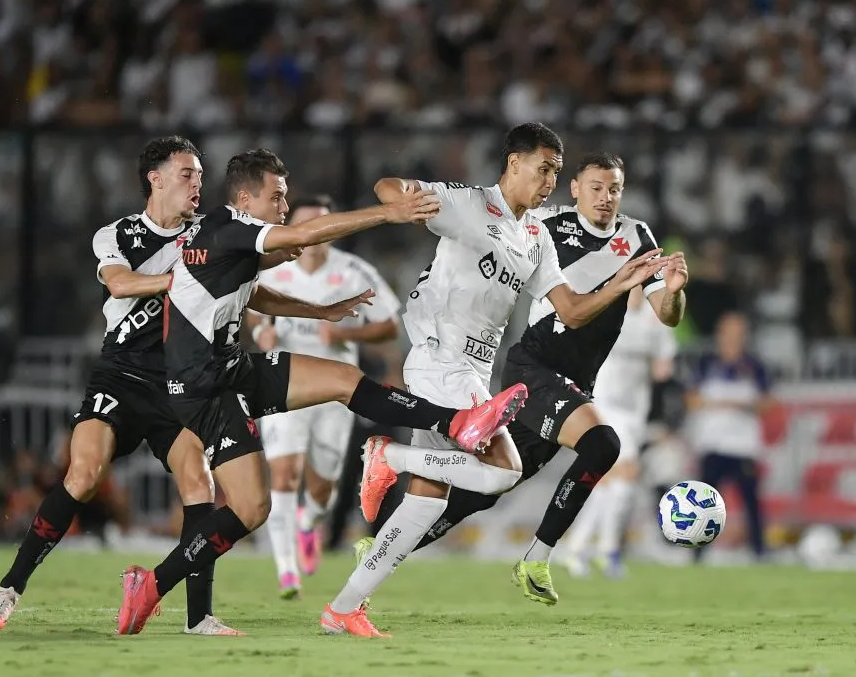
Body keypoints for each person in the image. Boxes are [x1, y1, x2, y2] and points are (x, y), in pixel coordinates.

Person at [114, 148, 530, 635]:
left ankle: (449, 424)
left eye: (287, 196)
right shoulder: (229, 228)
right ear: (246, 198)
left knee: (342, 380)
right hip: (201, 387)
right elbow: (305, 235)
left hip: (232, 367)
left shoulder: (225, 237)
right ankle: (151, 584)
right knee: (253, 508)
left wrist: (320, 312)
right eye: (278, 196)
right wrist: (387, 213)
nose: (284, 206)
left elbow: (253, 291)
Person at [321, 135, 674, 637]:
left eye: (555, 171)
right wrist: (403, 202)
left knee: (427, 501)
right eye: (543, 169)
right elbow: (387, 185)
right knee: (503, 471)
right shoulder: (468, 204)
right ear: (513, 163)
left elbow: (571, 310)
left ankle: (343, 608)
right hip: (441, 358)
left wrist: (622, 283)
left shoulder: (535, 234)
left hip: (473, 370)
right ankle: (388, 457)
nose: (550, 181)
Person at [0, 136, 240, 636]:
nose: (197, 184)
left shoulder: (209, 234)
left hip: (179, 381)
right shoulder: (116, 234)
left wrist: (315, 309)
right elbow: (120, 283)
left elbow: (252, 286)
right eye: (187, 174)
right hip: (121, 374)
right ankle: (10, 587)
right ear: (155, 179)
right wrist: (186, 283)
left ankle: (199, 617)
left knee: (199, 483)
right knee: (84, 473)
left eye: (200, 175)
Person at [246, 195, 402, 599]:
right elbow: (250, 306)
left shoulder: (353, 272)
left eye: (323, 225)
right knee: (283, 473)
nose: (315, 236)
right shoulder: (273, 268)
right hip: (283, 382)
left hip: (336, 391)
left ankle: (308, 522)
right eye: (306, 225)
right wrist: (262, 330)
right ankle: (286, 571)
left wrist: (346, 333)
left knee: (321, 488)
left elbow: (388, 327)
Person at [559, 285, 677, 577]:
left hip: (634, 412)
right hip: (603, 403)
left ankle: (579, 547)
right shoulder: (607, 309)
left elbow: (664, 369)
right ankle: (606, 550)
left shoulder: (654, 321)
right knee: (624, 475)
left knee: (609, 483)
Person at [686, 311, 775, 562]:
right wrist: (719, 404)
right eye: (730, 331)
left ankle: (759, 552)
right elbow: (691, 400)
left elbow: (769, 402)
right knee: (705, 503)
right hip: (712, 443)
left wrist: (742, 405)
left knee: (751, 501)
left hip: (743, 445)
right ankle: (698, 554)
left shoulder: (754, 366)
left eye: (739, 332)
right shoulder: (706, 363)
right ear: (720, 334)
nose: (735, 337)